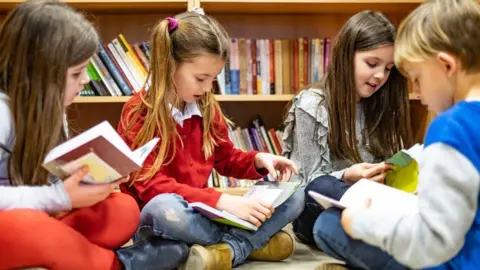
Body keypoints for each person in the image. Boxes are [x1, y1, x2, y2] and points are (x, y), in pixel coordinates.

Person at [0, 1, 187, 269]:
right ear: (37, 74)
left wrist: (95, 182)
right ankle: (117, 264)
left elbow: (52, 183)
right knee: (26, 227)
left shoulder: (53, 111)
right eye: (76, 73)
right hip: (16, 221)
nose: (86, 80)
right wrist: (59, 198)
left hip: (45, 213)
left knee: (122, 208)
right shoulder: (3, 112)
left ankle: (67, 252)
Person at [117, 9, 305, 270]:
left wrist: (259, 160)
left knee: (296, 192)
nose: (207, 88)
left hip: (207, 213)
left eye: (213, 79)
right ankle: (249, 245)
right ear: (169, 64)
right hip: (168, 216)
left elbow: (226, 159)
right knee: (163, 208)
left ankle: (224, 250)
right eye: (200, 79)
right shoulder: (138, 112)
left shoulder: (205, 106)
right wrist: (221, 201)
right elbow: (151, 187)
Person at [341, 0, 480, 269]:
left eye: (416, 77)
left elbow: (433, 242)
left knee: (333, 225)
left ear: (446, 66)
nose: (416, 91)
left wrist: (361, 222)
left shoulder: (452, 128)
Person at [283, 10, 412, 269]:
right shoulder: (312, 104)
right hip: (317, 207)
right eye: (372, 64)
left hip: (372, 205)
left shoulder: (384, 104)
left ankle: (388, 232)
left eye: (388, 69)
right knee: (323, 187)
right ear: (345, 57)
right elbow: (307, 182)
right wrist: (347, 175)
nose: (380, 77)